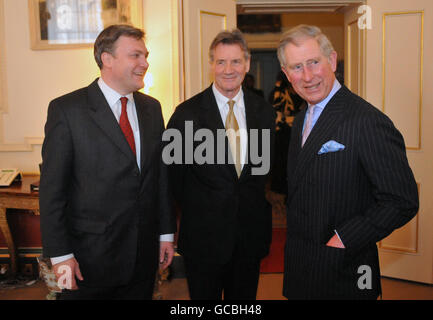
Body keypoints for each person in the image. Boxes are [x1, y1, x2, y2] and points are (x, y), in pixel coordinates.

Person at [277, 25, 419, 299]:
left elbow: (401, 200)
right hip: (301, 266)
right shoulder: (300, 120)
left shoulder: (367, 121)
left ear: (331, 61)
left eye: (314, 63)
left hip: (347, 270)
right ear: (286, 74)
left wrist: (343, 239)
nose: (307, 77)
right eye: (296, 68)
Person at [39, 24, 176, 300]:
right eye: (135, 55)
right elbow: (52, 192)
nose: (145, 63)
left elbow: (160, 179)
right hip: (87, 262)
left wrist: (165, 234)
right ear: (107, 59)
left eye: (145, 55)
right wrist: (61, 257)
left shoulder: (152, 108)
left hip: (142, 257)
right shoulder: (67, 110)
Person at [166, 29, 275, 300]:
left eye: (236, 61)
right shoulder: (186, 114)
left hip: (250, 239)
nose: (229, 69)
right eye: (221, 62)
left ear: (247, 64)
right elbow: (172, 181)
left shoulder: (264, 111)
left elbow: (263, 173)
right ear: (211, 65)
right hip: (203, 241)